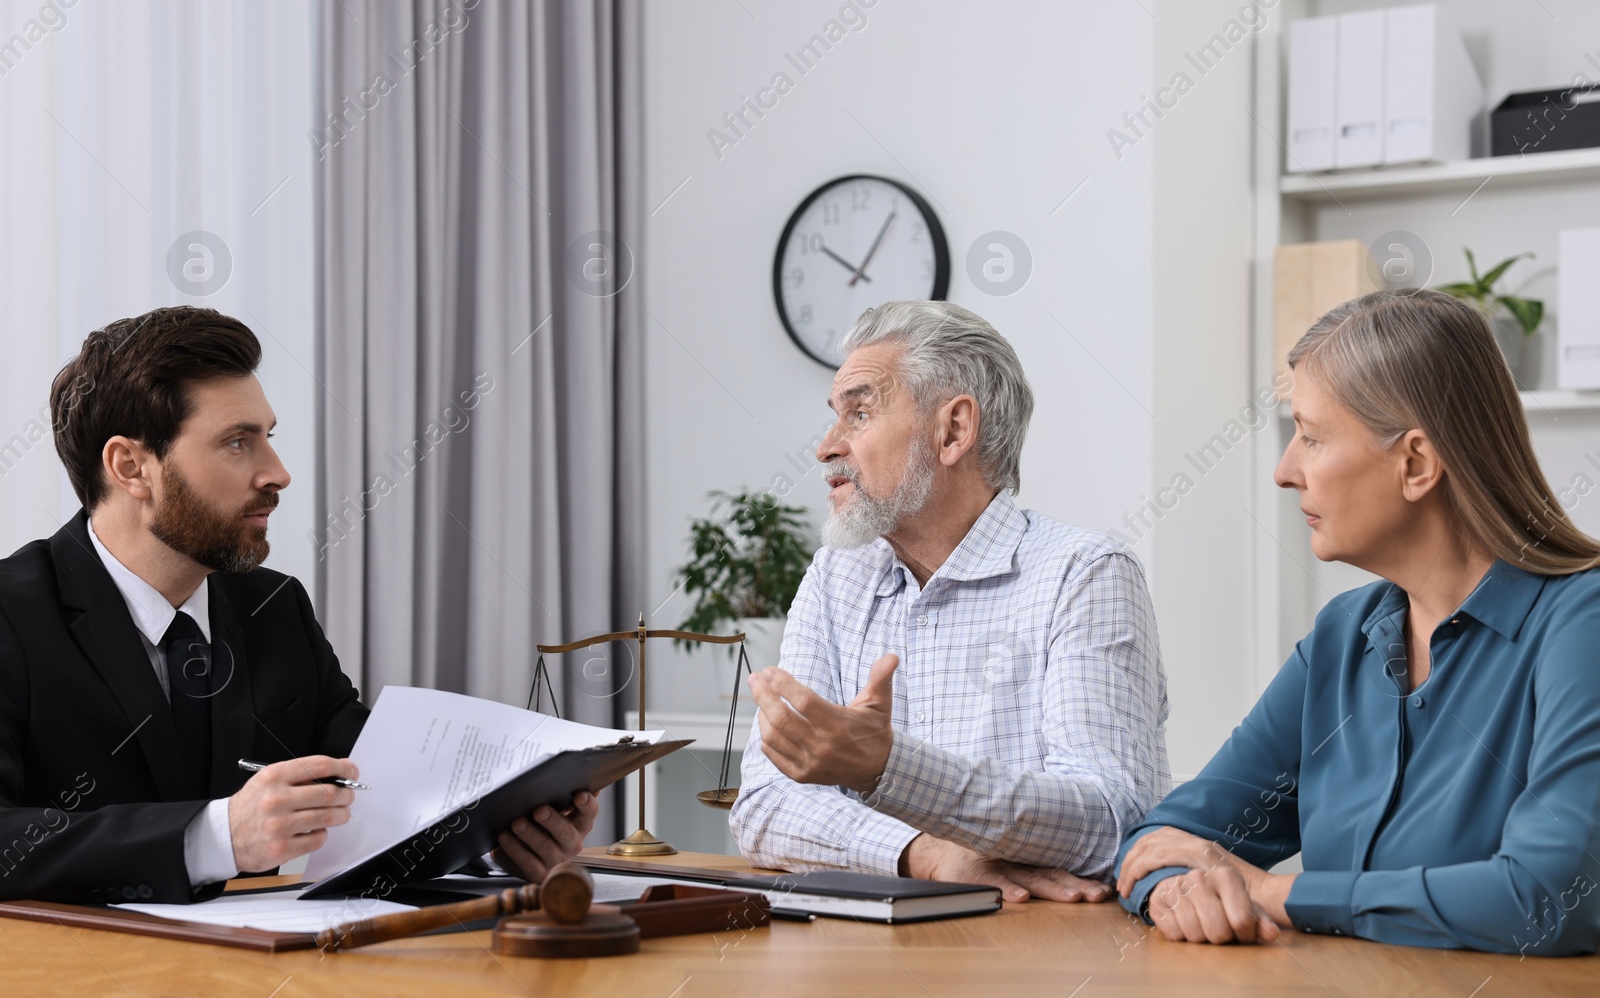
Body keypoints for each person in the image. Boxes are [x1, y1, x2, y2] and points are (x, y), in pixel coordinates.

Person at [0, 307, 595, 904]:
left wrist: (498, 835)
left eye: (268, 437)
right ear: (131, 467)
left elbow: (380, 779)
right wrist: (216, 837)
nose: (278, 473)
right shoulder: (11, 614)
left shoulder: (274, 606)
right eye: (237, 442)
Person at [1115, 288, 1600, 954]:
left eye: (1311, 436)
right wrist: (1178, 888)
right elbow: (1163, 836)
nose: (1286, 471)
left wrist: (1276, 893)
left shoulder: (1581, 624)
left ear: (1417, 463)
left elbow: (1547, 896)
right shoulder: (1342, 636)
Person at [731, 301, 1170, 902]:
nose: (827, 446)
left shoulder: (1084, 574)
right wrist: (923, 856)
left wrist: (885, 768)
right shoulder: (838, 575)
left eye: (859, 413)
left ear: (954, 431)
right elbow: (762, 804)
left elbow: (1111, 819)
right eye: (835, 416)